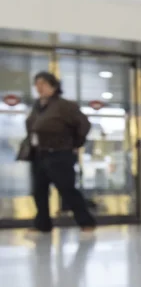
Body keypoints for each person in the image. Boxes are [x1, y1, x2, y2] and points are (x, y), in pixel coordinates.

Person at [21, 71, 96, 233]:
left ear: (53, 86)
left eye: (43, 84)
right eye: (37, 84)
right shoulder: (37, 106)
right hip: (39, 154)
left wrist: (75, 144)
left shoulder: (65, 106)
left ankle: (86, 222)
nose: (39, 87)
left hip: (59, 154)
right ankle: (42, 224)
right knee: (39, 191)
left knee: (67, 189)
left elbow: (84, 125)